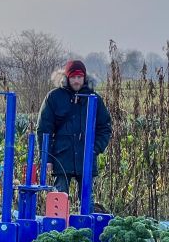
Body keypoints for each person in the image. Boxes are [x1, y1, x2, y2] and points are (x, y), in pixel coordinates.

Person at [37, 60, 112, 196]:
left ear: (84, 78)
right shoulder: (53, 97)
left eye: (79, 77)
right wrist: (46, 158)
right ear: (67, 78)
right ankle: (60, 218)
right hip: (61, 158)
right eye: (73, 77)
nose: (76, 81)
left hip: (86, 159)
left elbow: (105, 127)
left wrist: (94, 148)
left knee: (86, 202)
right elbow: (44, 130)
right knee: (59, 200)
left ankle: (84, 217)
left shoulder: (94, 98)